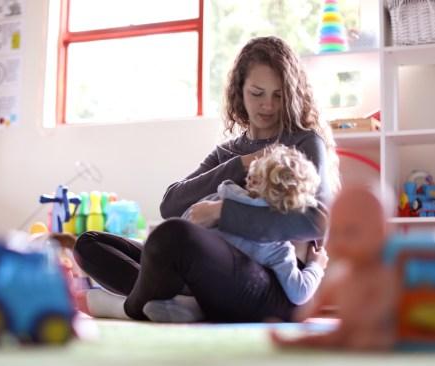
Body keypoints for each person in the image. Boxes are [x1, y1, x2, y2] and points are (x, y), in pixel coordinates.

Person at [72, 35, 340, 322]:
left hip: (274, 284)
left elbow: (317, 221)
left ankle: (129, 308)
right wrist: (242, 163)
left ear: (292, 95)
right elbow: (171, 204)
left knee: (173, 237)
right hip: (213, 273)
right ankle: (185, 303)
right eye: (257, 93)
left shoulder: (304, 143)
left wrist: (223, 212)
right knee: (89, 244)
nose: (268, 106)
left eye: (278, 95)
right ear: (240, 91)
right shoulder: (228, 153)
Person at [182, 144, 328, 306]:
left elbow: (185, 226)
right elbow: (299, 293)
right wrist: (316, 266)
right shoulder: (276, 248)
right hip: (232, 297)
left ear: (251, 179)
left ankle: (182, 302)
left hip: (186, 275)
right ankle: (192, 307)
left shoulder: (215, 200)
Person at [270, 185, 397, 350]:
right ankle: (294, 342)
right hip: (345, 330)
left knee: (370, 339)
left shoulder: (382, 275)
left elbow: (384, 304)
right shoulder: (342, 276)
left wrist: (368, 318)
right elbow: (325, 298)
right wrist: (306, 316)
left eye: (350, 232)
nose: (340, 241)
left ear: (381, 232)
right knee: (324, 339)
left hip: (373, 330)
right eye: (335, 232)